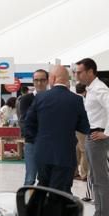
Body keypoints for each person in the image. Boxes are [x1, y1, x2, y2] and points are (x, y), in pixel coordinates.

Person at [21, 65, 89, 200]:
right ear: (66, 80)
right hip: (65, 153)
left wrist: (39, 140)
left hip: (43, 153)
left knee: (43, 186)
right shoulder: (76, 100)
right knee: (62, 190)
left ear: (51, 79)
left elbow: (28, 123)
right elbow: (84, 127)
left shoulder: (40, 98)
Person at [73, 58, 109, 216]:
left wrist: (107, 132)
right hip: (92, 135)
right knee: (94, 179)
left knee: (101, 179)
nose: (77, 75)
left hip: (98, 136)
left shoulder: (99, 88)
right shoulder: (91, 89)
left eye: (80, 72)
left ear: (90, 72)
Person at [18, 69, 48, 186]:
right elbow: (25, 121)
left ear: (47, 81)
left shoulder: (51, 97)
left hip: (48, 143)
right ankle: (26, 203)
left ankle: (42, 203)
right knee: (30, 178)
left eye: (42, 80)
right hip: (32, 142)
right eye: (36, 80)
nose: (39, 83)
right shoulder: (26, 99)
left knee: (44, 178)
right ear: (33, 82)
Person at [74, 83, 91, 198]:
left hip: (75, 128)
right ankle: (84, 174)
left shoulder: (74, 99)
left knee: (77, 150)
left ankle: (74, 172)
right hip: (82, 129)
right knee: (84, 150)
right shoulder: (84, 100)